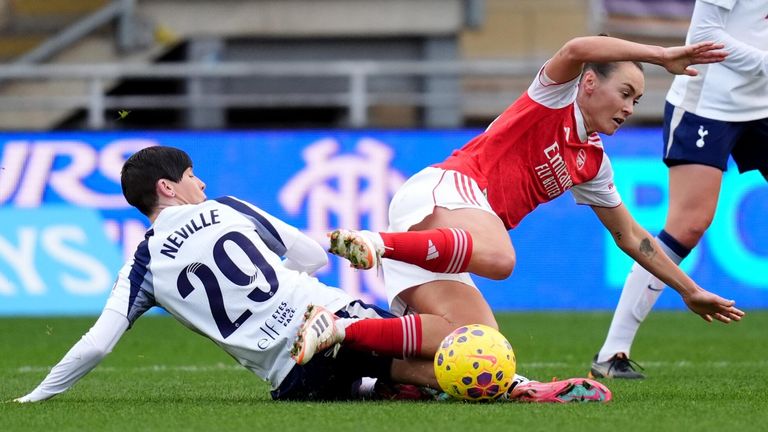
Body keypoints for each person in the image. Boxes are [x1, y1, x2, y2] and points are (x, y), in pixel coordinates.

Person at [14, 146, 608, 404]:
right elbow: (312, 259)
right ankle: (519, 383)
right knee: (459, 337)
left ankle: (384, 385)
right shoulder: (225, 207)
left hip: (290, 379)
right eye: (191, 176)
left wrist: (39, 396)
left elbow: (97, 344)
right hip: (328, 317)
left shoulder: (140, 264)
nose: (200, 182)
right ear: (170, 187)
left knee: (401, 378)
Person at [326, 35, 745, 353]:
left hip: (448, 239)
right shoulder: (554, 98)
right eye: (625, 93)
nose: (630, 108)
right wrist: (661, 56)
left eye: (636, 100)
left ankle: (339, 330)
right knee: (501, 259)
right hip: (447, 189)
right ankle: (374, 243)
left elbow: (631, 237)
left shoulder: (593, 164)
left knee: (478, 344)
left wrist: (688, 289)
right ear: (589, 83)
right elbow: (577, 46)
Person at [591, 0, 767, 379]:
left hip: (764, 105)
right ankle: (612, 352)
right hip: (708, 105)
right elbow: (704, 36)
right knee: (688, 225)